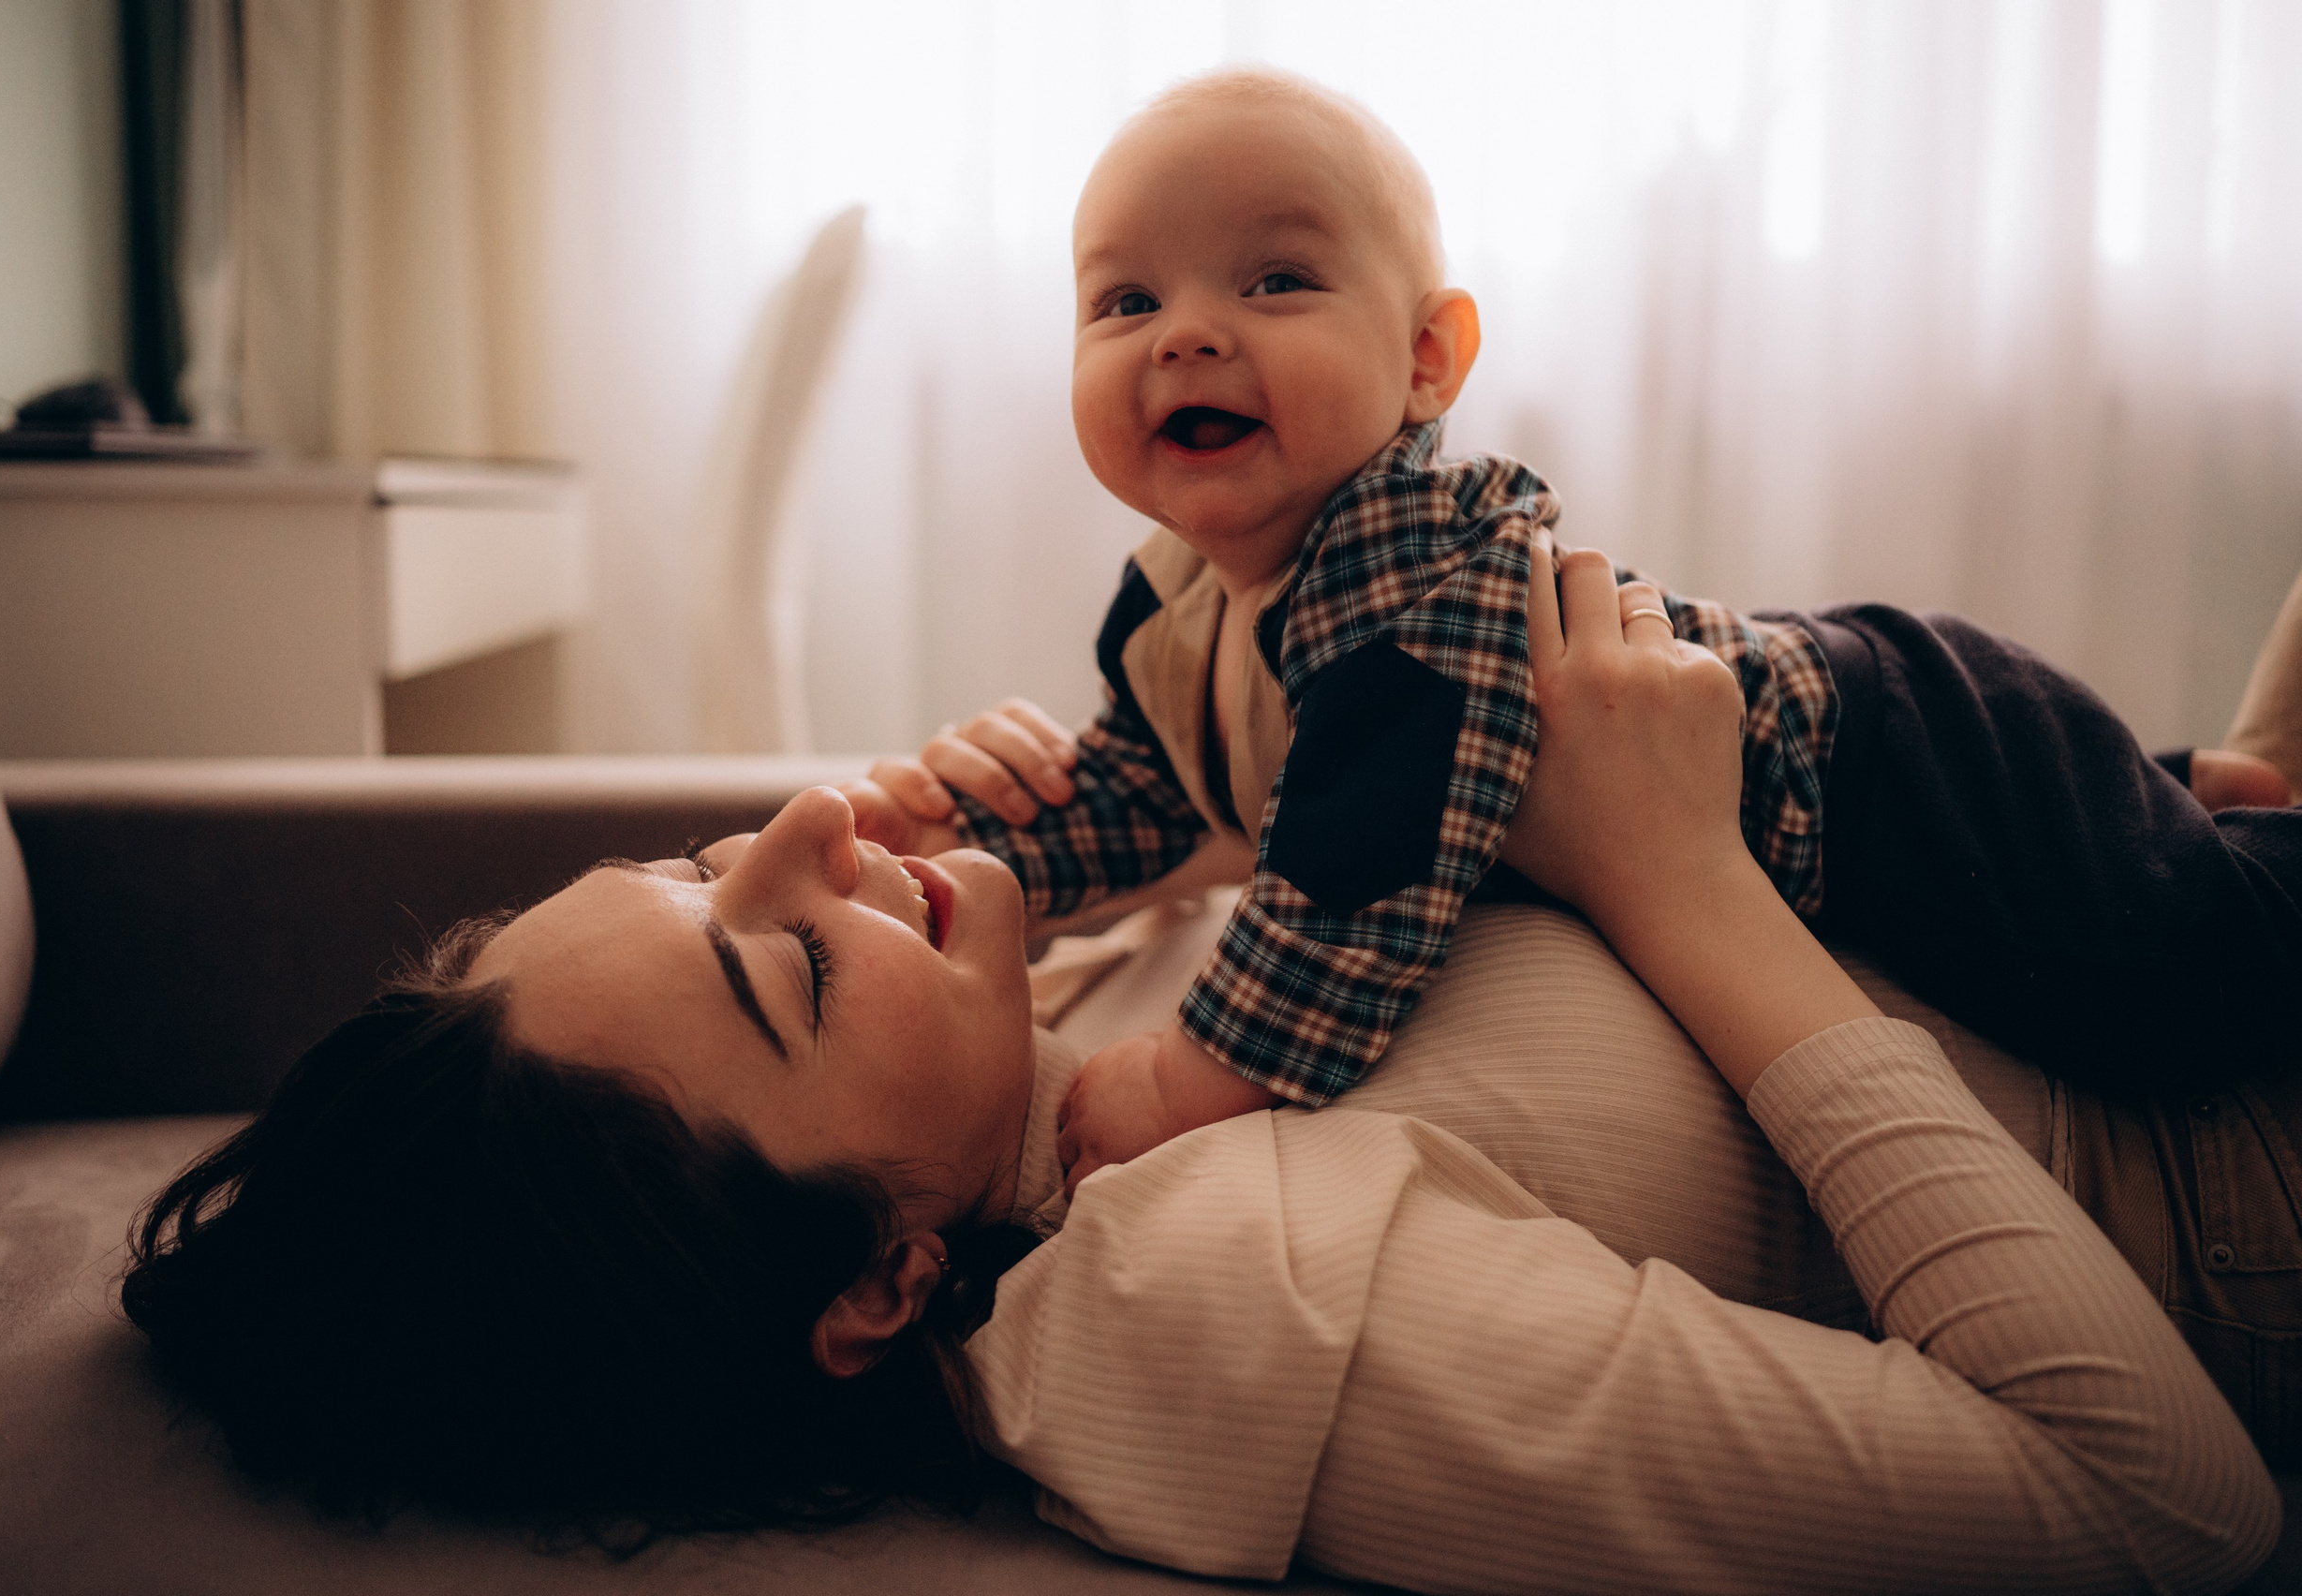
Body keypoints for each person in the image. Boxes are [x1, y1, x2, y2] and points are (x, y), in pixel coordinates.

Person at [121, 540, 2280, 1592]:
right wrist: (1676, 878)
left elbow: (1402, 978)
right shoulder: (1209, 1304)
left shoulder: (1039, 1085)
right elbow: (2153, 1509)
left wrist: (1105, 860)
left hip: (2139, 891)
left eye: (698, 864)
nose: (794, 828)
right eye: (774, 968)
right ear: (875, 1283)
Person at [842, 66, 2302, 1191]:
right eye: (1126, 299)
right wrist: (989, 871)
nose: (1187, 332)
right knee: (2149, 842)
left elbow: (1360, 878)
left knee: (2184, 992)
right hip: (1909, 735)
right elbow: (1146, 792)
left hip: (1906, 762)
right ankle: (2196, 784)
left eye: (1276, 280)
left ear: (1427, 361)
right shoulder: (1172, 605)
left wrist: (1187, 1078)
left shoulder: (1418, 574)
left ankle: (2223, 833)